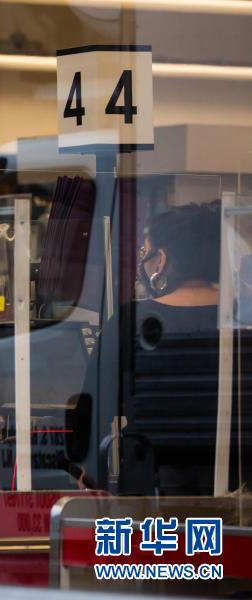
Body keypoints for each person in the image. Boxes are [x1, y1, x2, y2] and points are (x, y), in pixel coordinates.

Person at [76, 201, 252, 495]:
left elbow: (93, 412)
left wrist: (88, 470)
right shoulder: (244, 319)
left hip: (152, 488)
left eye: (145, 253)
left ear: (161, 260)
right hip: (242, 487)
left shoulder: (129, 321)